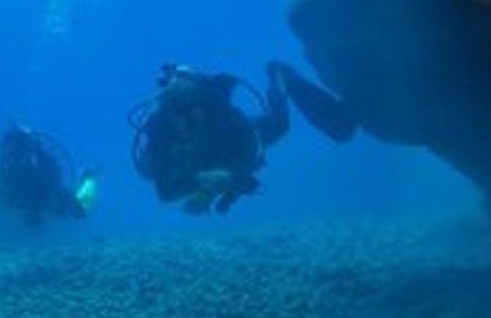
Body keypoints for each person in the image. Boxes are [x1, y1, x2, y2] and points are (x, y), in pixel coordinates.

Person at [129, 60, 355, 214]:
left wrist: (223, 180)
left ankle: (279, 75)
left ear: (204, 103)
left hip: (240, 141)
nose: (186, 122)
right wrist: (201, 184)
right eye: (179, 115)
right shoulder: (159, 130)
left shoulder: (222, 118)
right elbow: (164, 192)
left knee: (280, 123)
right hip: (213, 161)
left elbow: (251, 153)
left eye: (193, 112)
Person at [0, 123, 98, 227]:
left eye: (17, 151)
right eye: (10, 152)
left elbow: (54, 181)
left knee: (81, 213)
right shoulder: (1, 167)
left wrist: (37, 209)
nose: (13, 156)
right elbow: (0, 195)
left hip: (48, 198)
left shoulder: (41, 162)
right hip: (24, 202)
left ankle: (88, 177)